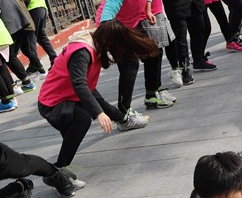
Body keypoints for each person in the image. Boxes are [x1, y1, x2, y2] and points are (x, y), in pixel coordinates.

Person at [38, 21, 159, 172]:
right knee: (82, 120)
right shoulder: (82, 51)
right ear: (109, 40)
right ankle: (58, 171)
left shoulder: (95, 42)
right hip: (53, 101)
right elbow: (79, 84)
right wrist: (98, 113)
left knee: (95, 106)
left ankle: (124, 120)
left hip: (69, 95)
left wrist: (107, 112)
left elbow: (87, 89)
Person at [97, 0, 174, 112]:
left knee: (153, 51)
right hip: (112, 26)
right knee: (130, 65)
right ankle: (124, 113)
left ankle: (151, 95)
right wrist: (105, 30)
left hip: (132, 23)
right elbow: (110, 6)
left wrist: (148, 10)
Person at [7, 0, 57, 71]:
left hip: (33, 8)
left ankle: (34, 64)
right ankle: (54, 58)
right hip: (41, 7)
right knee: (41, 36)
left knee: (31, 37)